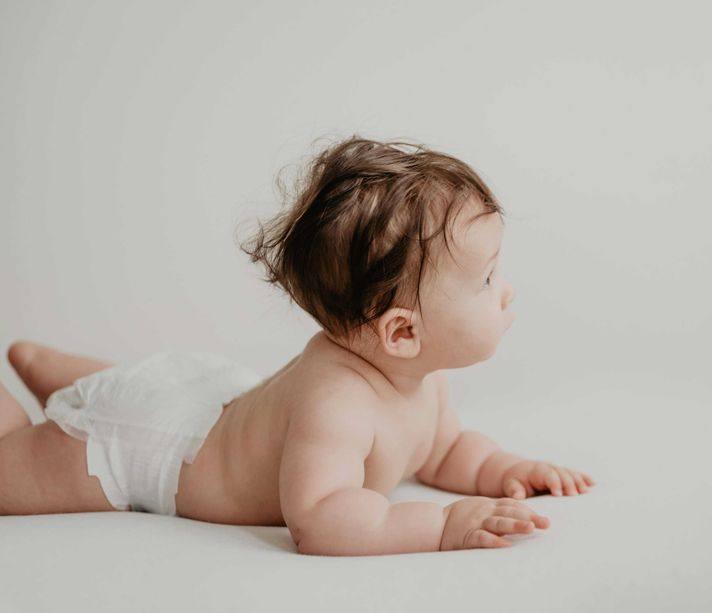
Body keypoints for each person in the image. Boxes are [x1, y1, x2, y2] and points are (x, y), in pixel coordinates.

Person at [0, 136, 595, 555]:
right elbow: (321, 518)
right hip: (154, 449)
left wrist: (505, 471)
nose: (508, 291)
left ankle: (43, 366)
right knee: (14, 469)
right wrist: (440, 525)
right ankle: (31, 405)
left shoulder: (419, 380)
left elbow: (443, 450)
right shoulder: (337, 404)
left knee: (132, 387)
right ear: (403, 332)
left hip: (198, 399)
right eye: (487, 280)